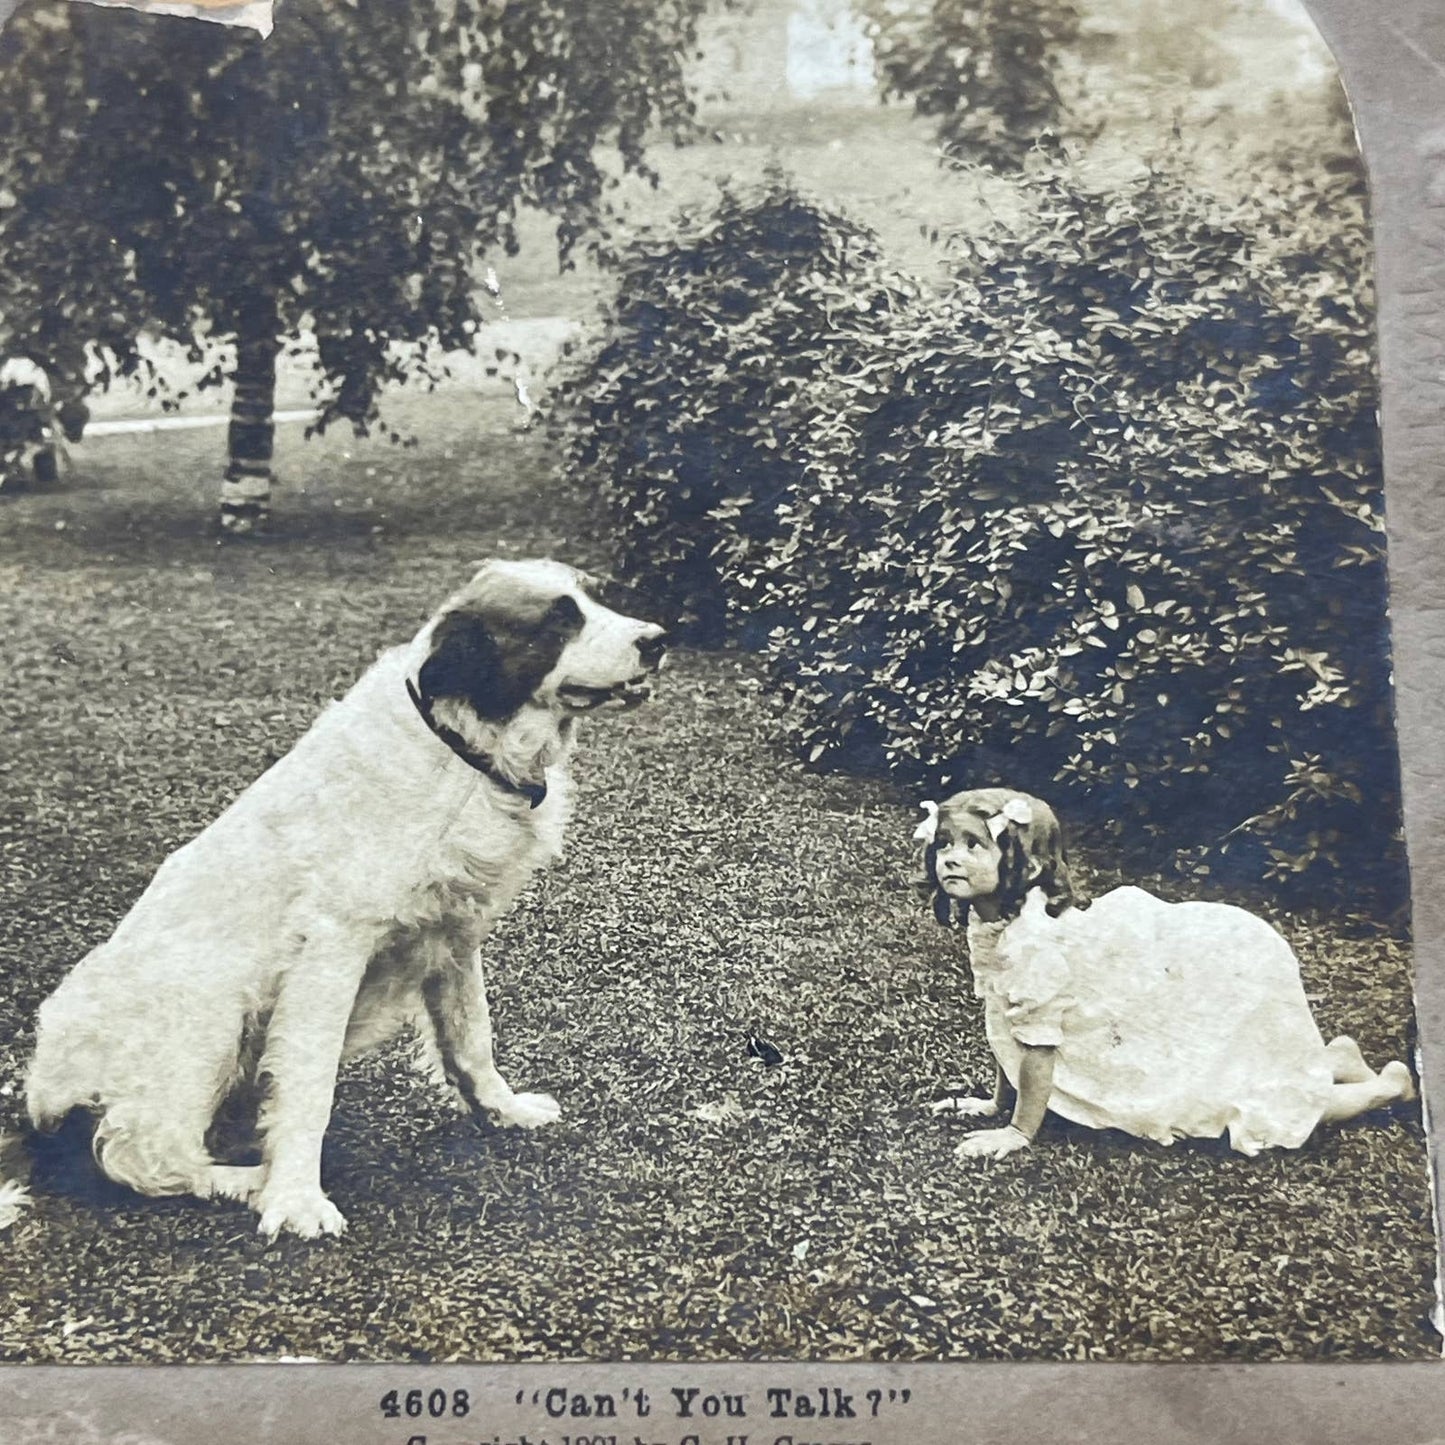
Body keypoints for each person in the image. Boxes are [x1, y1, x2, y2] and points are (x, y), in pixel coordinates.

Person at [915, 788, 1415, 1160]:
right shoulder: (991, 918)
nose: (951, 858)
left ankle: (1383, 1088)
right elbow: (1006, 1020)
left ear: (1022, 864)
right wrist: (994, 1101)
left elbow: (1038, 1043)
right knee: (1215, 1079)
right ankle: (1334, 1059)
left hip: (1204, 963)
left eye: (973, 846)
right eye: (944, 845)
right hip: (1113, 996)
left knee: (1223, 1106)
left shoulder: (1032, 940)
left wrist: (1019, 1131)